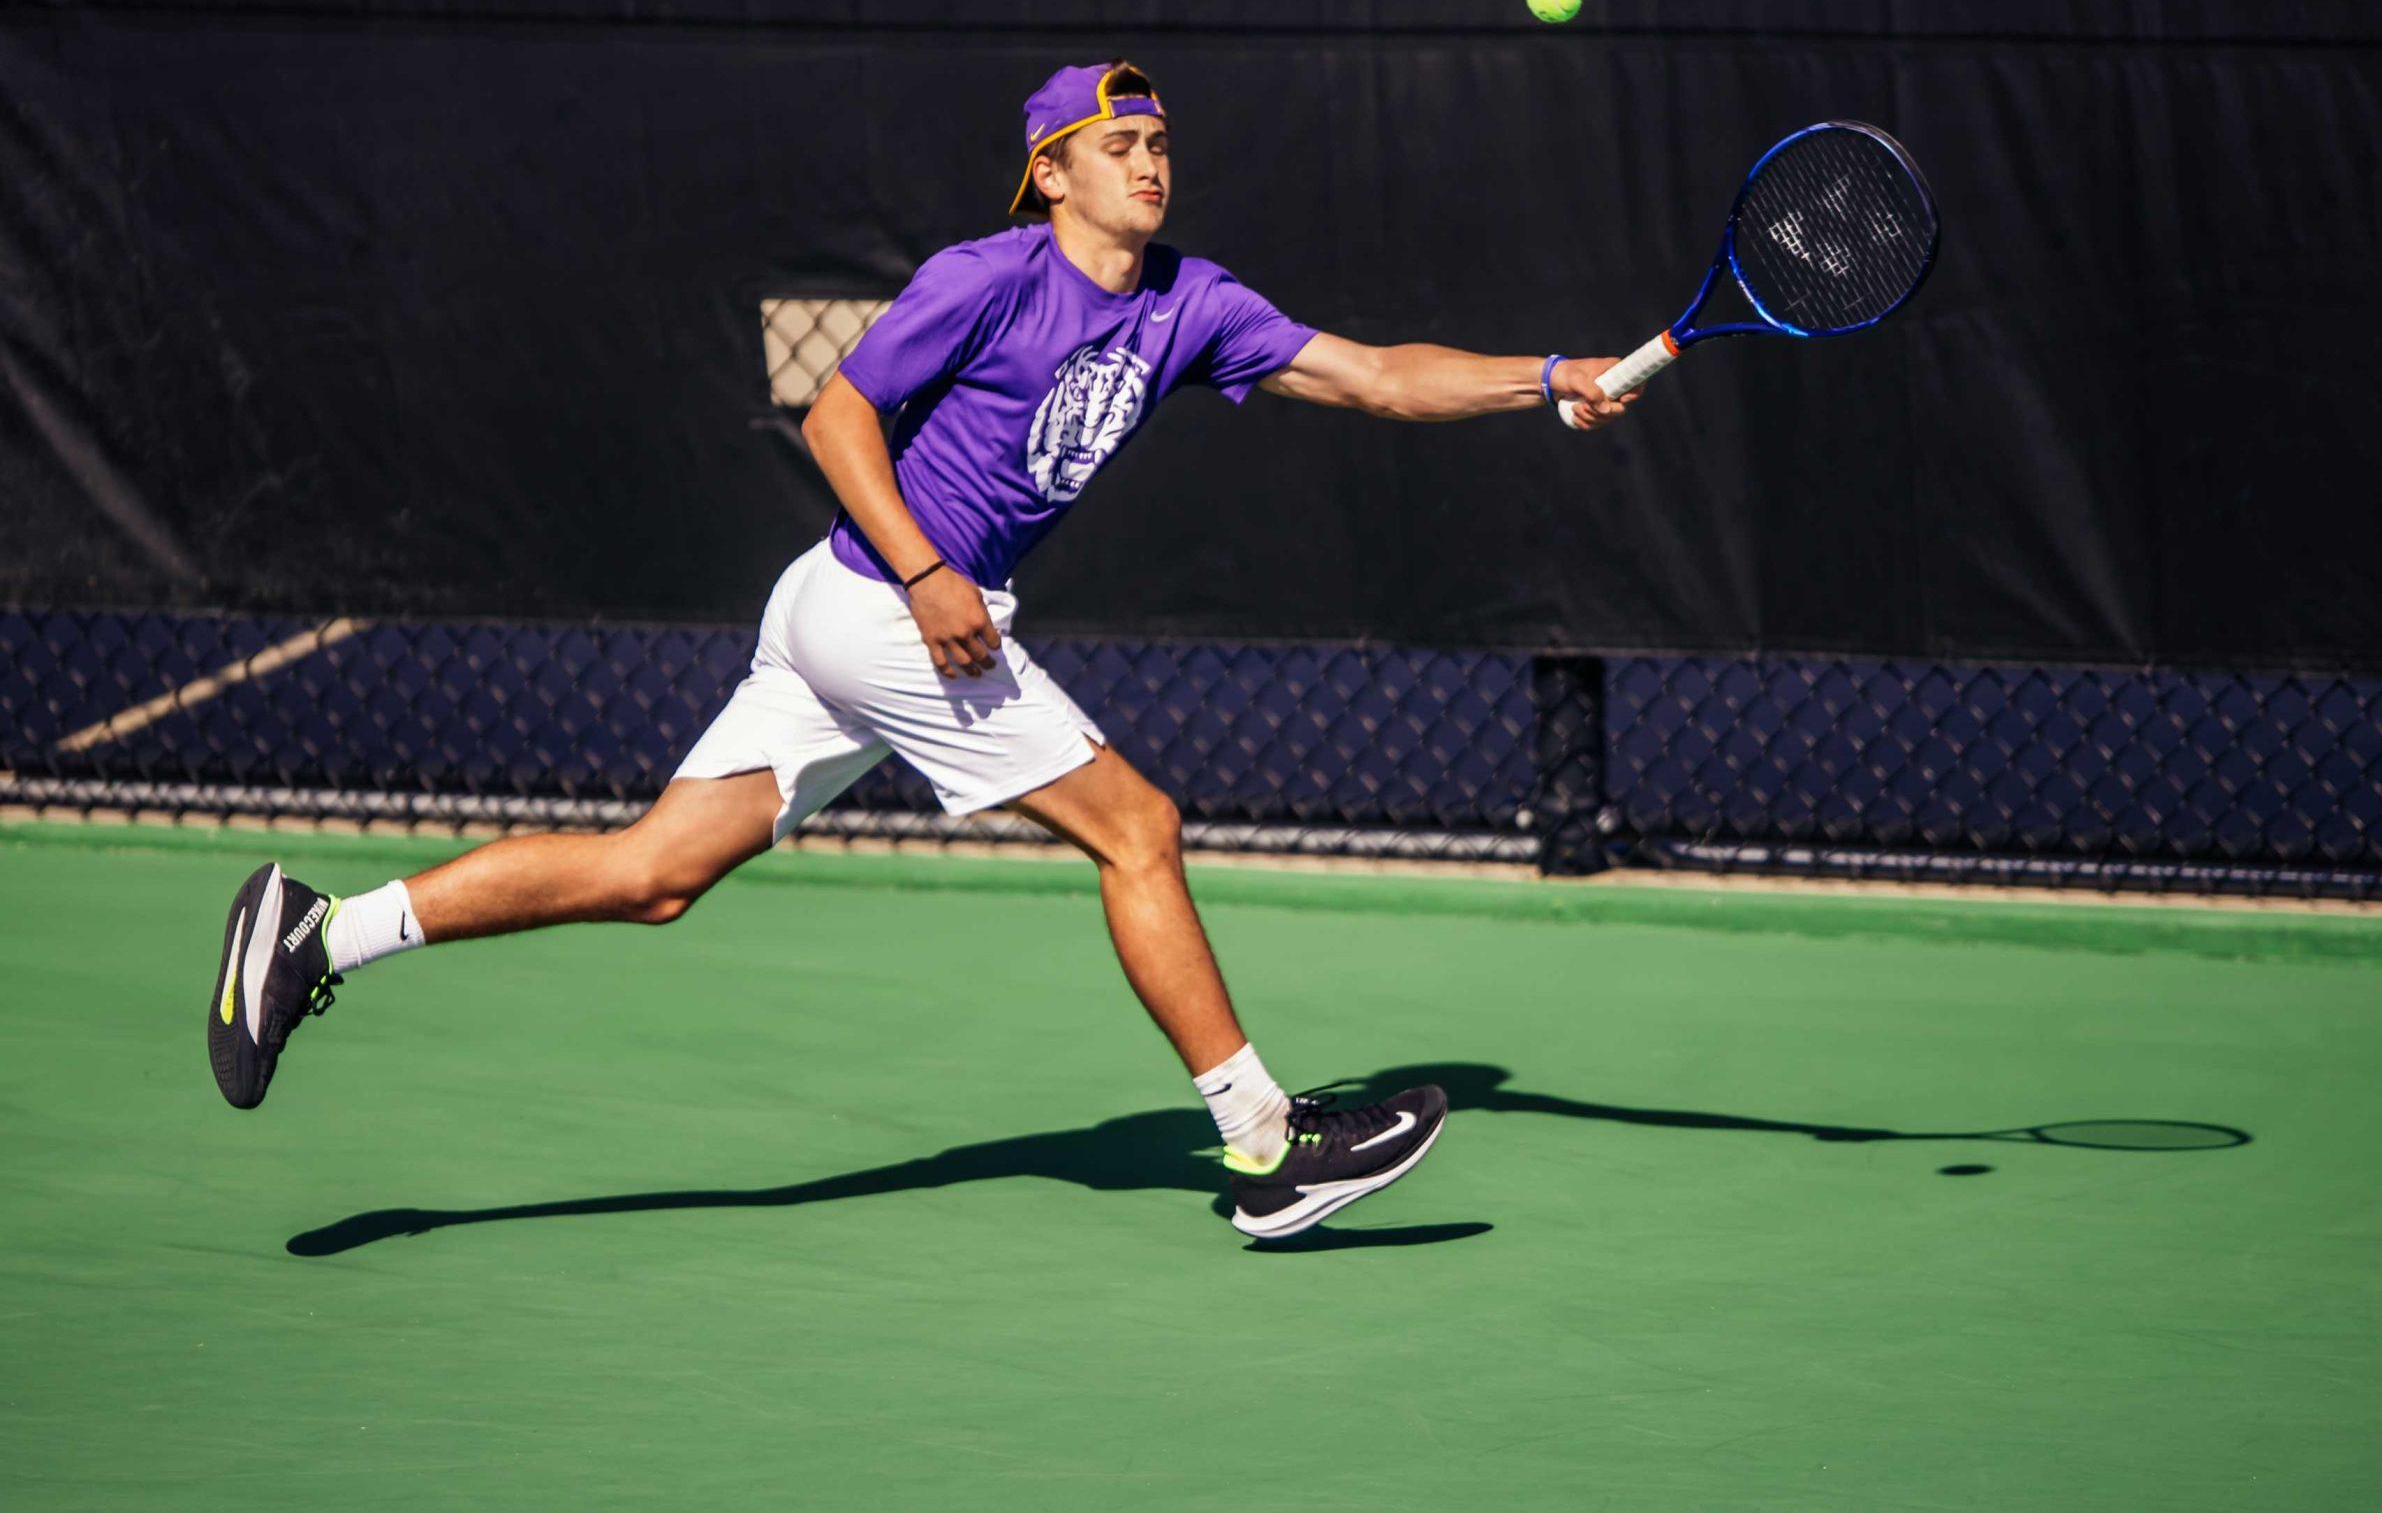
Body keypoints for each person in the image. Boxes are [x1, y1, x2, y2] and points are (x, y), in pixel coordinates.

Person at [205, 61, 1634, 1240]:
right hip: (890, 609)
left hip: (870, 617)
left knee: (655, 875)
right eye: (1119, 145)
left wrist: (1551, 377)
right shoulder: (989, 276)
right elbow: (837, 417)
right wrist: (933, 568)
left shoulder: (1195, 301)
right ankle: (1268, 1148)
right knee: (1139, 826)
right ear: (1052, 174)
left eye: (1159, 144)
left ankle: (321, 935)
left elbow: (1376, 378)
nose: (1151, 164)